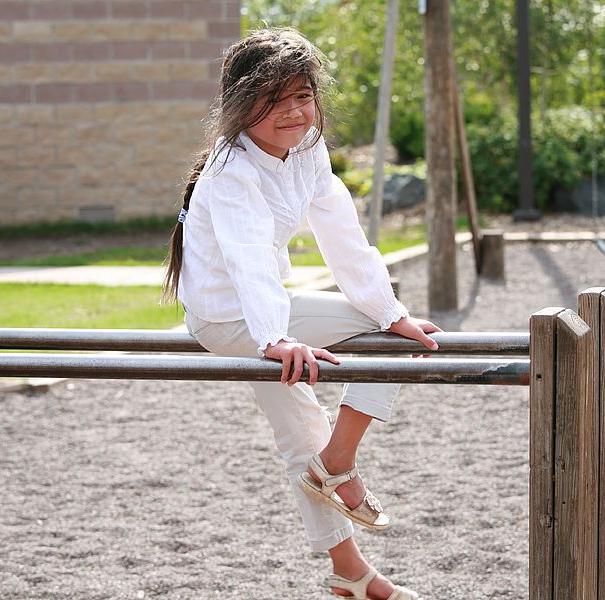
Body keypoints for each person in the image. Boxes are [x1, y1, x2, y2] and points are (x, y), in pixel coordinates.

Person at [162, 28, 440, 600]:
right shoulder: (230, 171)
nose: (293, 111)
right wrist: (276, 338)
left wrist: (391, 310)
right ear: (241, 105)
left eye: (303, 96)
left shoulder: (307, 148)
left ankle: (351, 574)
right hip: (230, 319)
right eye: (274, 98)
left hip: (268, 313)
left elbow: (342, 232)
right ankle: (338, 465)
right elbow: (247, 262)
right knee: (372, 342)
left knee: (311, 424)